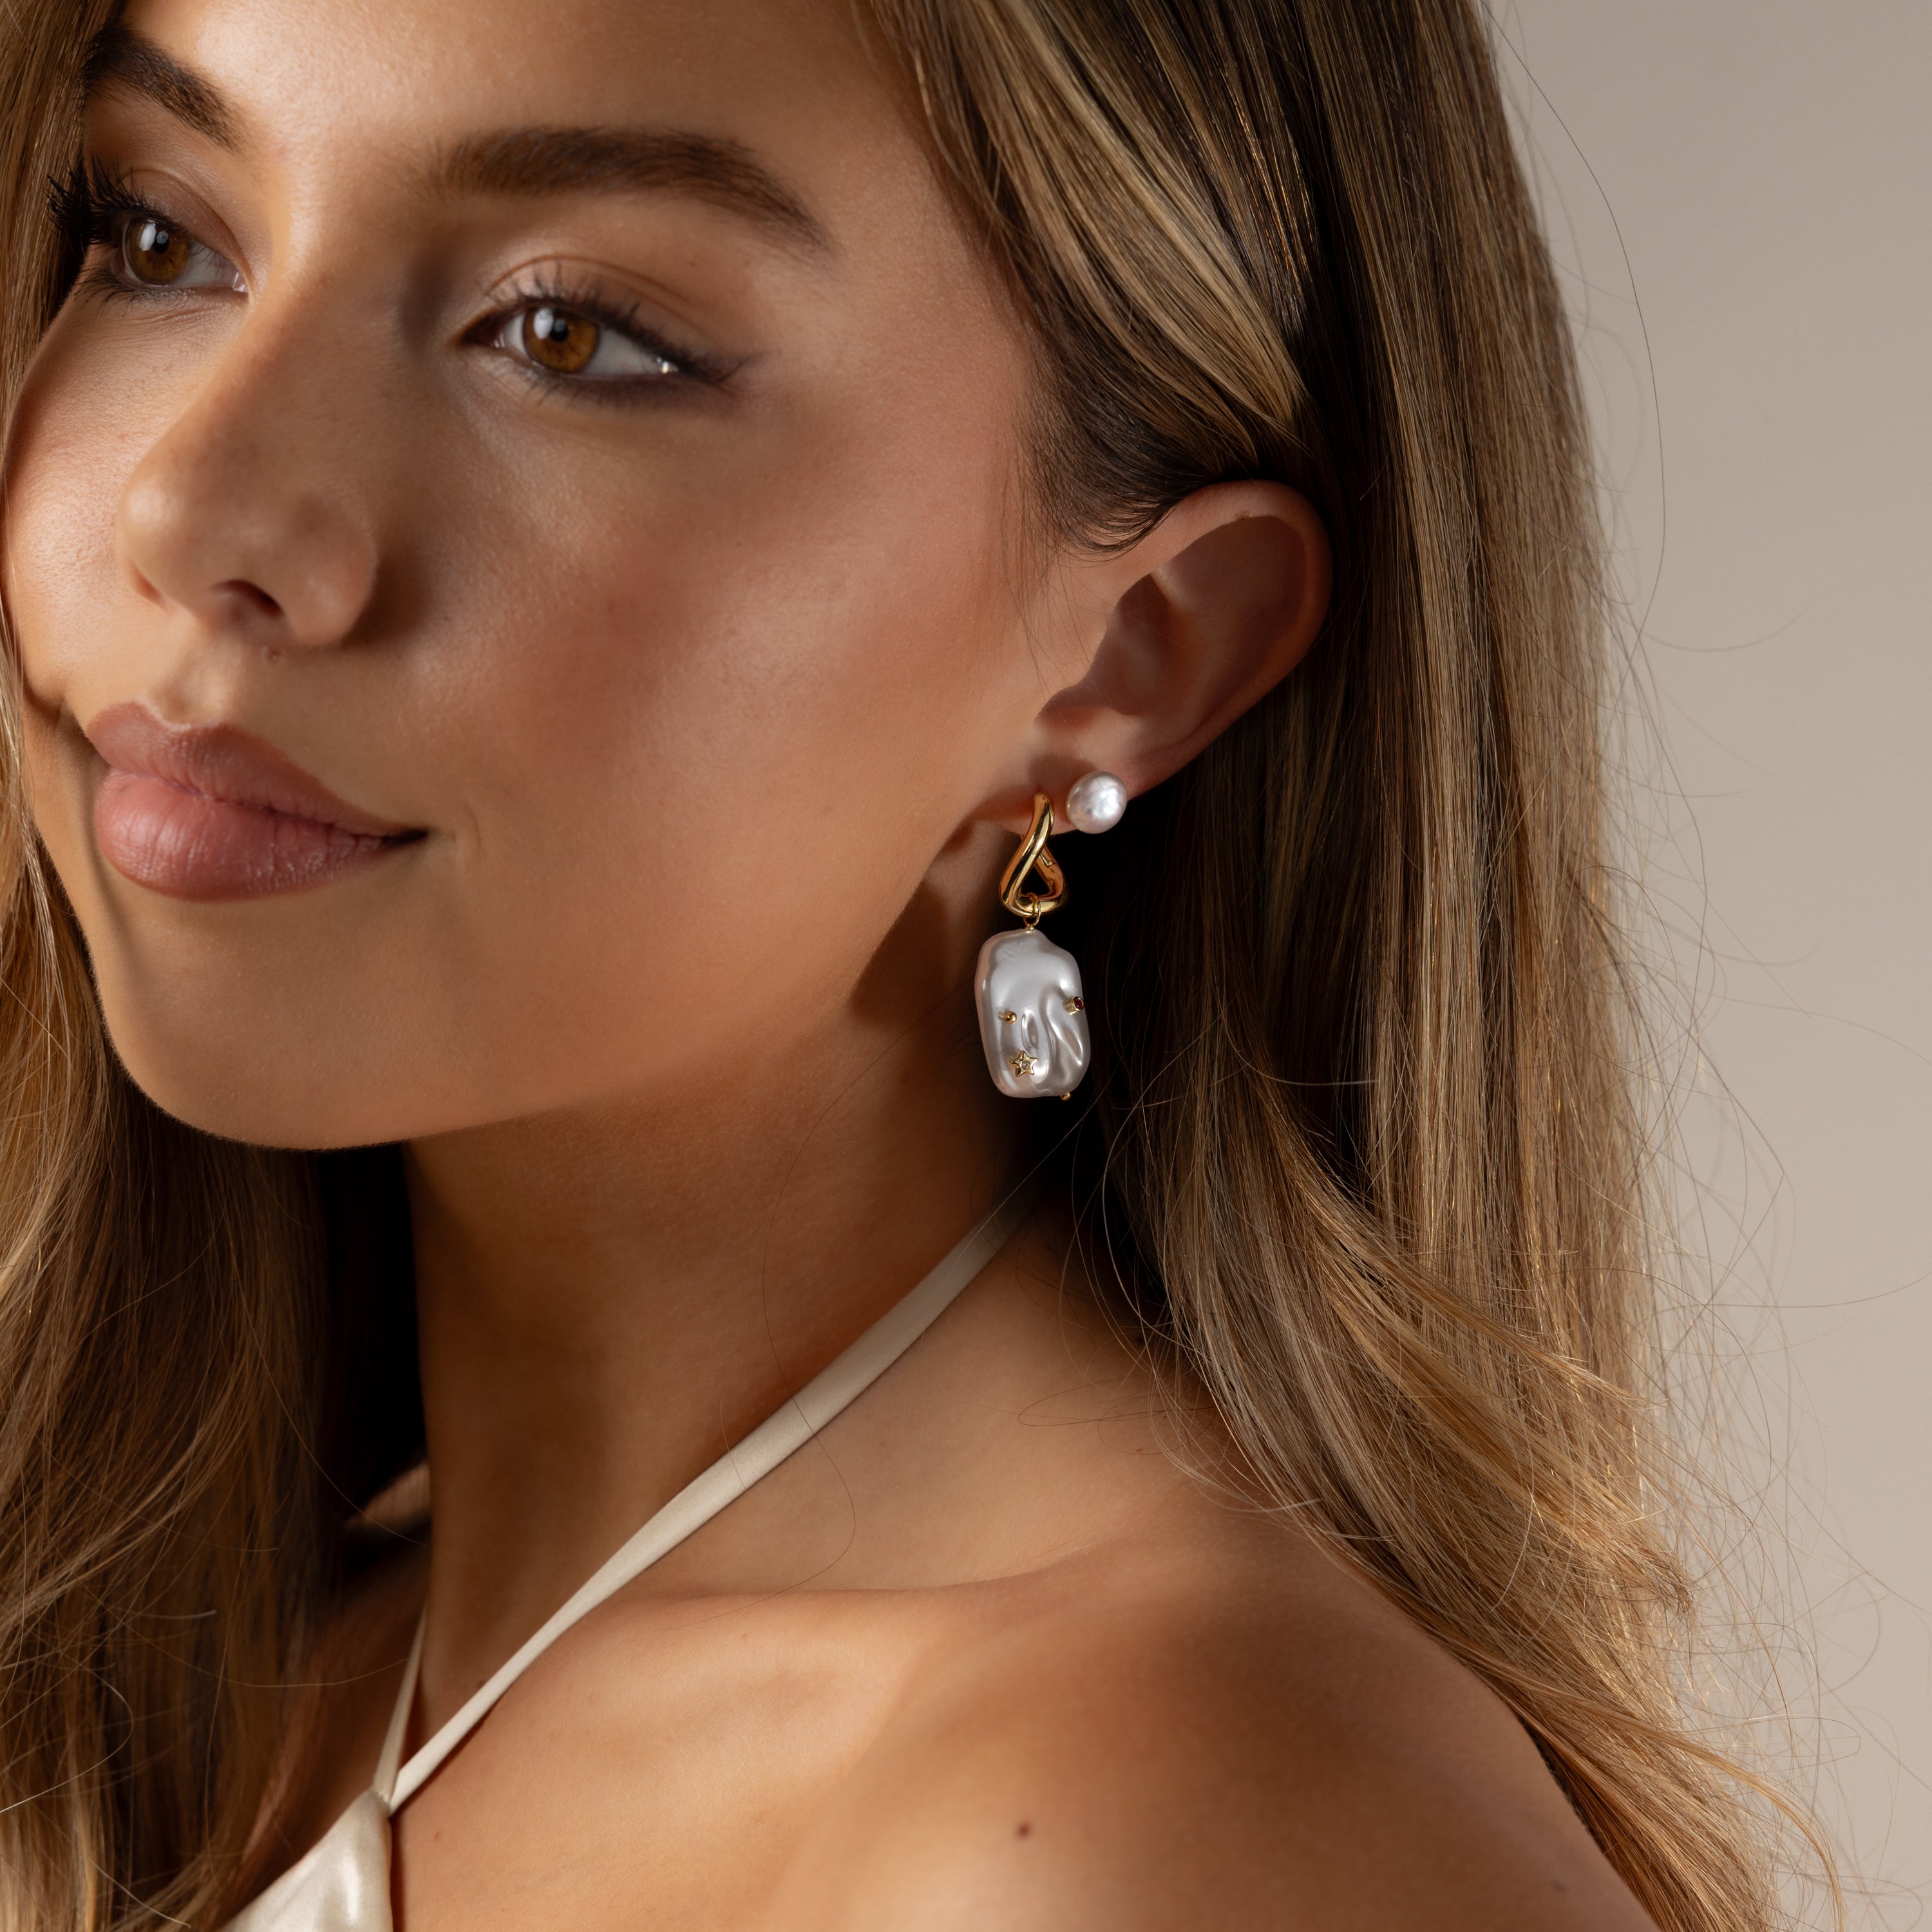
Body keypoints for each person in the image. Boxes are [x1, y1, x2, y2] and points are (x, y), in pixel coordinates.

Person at [0, 0, 1819, 1926]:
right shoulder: (216, 1661)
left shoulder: (1155, 1843)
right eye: (158, 235)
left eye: (572, 334)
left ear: (1139, 656)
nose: (191, 510)